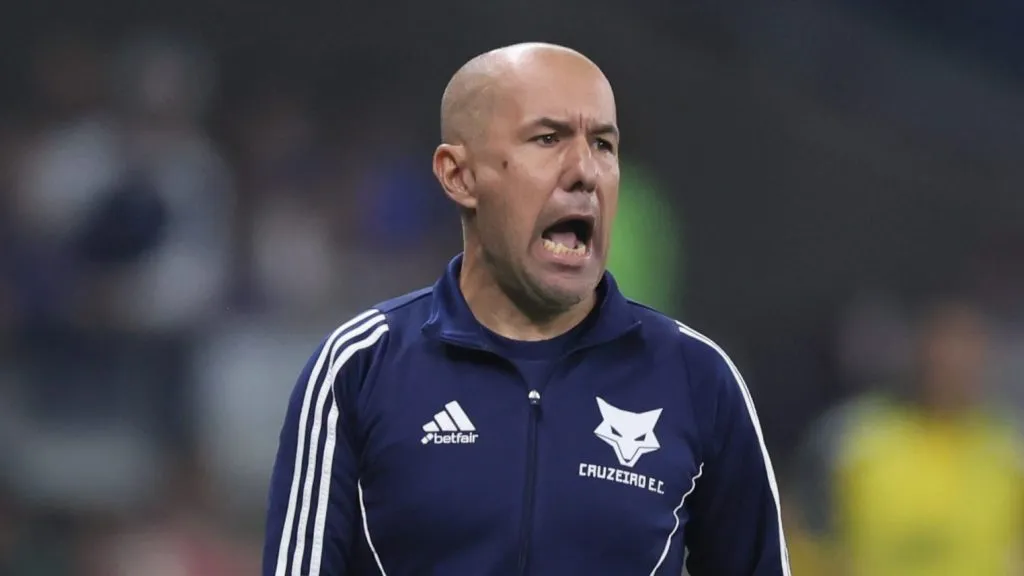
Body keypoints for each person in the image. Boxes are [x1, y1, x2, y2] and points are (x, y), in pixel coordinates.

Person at [262, 42, 790, 575]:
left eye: (604, 145)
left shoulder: (699, 379)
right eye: (548, 138)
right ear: (459, 176)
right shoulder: (361, 367)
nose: (585, 170)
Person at [789, 296, 1024, 576]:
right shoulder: (852, 438)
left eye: (966, 350)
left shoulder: (1010, 448)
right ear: (917, 351)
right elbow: (798, 531)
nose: (952, 364)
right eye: (942, 348)